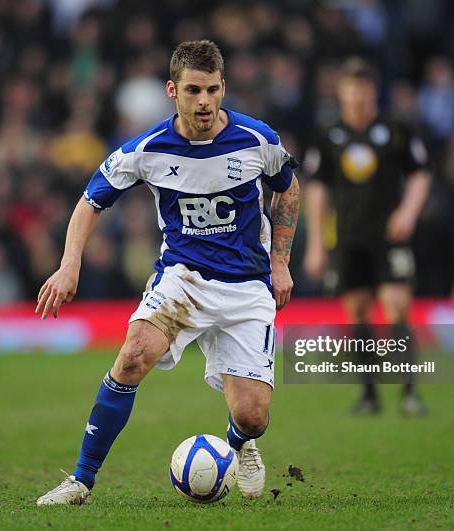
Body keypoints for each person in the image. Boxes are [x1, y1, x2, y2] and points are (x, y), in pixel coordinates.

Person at [35, 40, 300, 505]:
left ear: (224, 88)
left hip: (247, 286)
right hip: (184, 279)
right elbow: (90, 200)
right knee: (133, 355)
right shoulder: (147, 149)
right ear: (172, 90)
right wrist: (68, 265)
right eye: (194, 90)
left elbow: (290, 190)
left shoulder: (258, 139)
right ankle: (81, 480)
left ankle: (241, 444)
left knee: (254, 415)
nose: (204, 102)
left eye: (213, 90)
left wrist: (280, 260)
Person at [304, 58, 431, 415]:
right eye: (351, 88)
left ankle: (409, 394)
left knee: (396, 307)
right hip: (348, 238)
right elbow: (318, 190)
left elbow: (421, 173)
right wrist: (316, 243)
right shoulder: (329, 135)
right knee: (357, 311)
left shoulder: (396, 130)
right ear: (341, 92)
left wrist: (407, 212)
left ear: (372, 91)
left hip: (388, 237)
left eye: (363, 88)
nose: (357, 95)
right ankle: (370, 395)